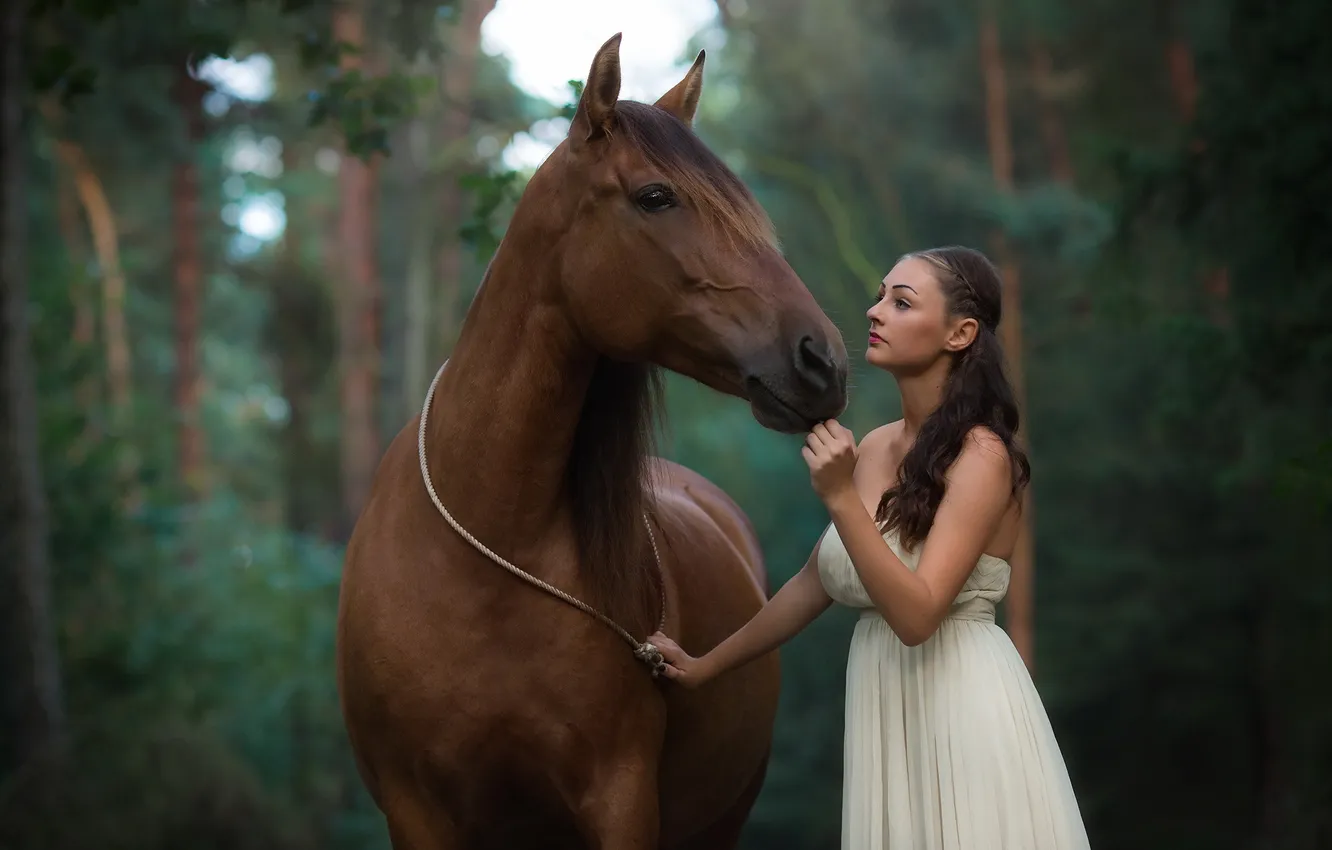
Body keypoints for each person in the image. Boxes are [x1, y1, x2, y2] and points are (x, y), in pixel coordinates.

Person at [648, 246, 1091, 848]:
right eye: (881, 295)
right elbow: (814, 583)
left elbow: (917, 615)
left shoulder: (982, 455)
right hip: (886, 713)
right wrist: (706, 667)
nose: (874, 311)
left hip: (963, 713)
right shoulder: (878, 446)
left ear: (960, 334)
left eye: (901, 302)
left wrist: (839, 497)